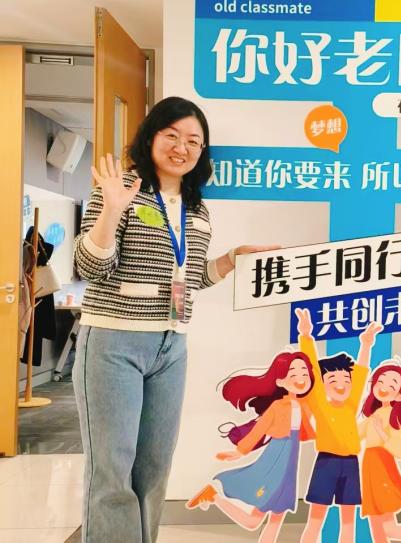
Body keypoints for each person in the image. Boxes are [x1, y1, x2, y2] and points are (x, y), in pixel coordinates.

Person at [72, 96, 276, 543]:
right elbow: (89, 267)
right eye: (172, 135)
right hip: (113, 342)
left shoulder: (195, 208)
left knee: (154, 466)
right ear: (151, 137)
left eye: (193, 141)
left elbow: (190, 277)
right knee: (112, 469)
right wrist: (112, 208)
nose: (182, 147)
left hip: (171, 346)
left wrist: (231, 259)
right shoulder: (119, 189)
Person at [185, 351, 315, 543]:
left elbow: (307, 431)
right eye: (293, 374)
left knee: (270, 519)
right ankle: (215, 495)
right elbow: (259, 429)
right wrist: (240, 451)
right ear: (280, 381)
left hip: (289, 467)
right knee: (258, 520)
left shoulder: (303, 405)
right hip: (275, 462)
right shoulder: (278, 406)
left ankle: (213, 497)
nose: (300, 378)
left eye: (304, 373)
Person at [295, 308, 383, 543]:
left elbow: (361, 373)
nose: (341, 384)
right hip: (326, 463)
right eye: (333, 379)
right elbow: (313, 372)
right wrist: (306, 336)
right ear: (323, 385)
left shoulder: (351, 404)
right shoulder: (320, 403)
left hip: (350, 464)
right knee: (316, 519)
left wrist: (366, 345)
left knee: (348, 520)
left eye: (346, 379)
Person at [358, 363, 401, 542]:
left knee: (388, 528)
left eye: (392, 385)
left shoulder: (394, 417)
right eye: (380, 382)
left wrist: (382, 433)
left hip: (382, 468)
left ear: (399, 395)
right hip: (370, 469)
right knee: (376, 525)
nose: (383, 387)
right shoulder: (375, 415)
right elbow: (353, 436)